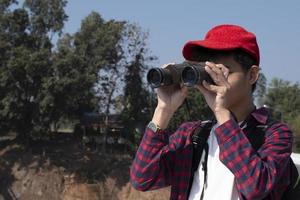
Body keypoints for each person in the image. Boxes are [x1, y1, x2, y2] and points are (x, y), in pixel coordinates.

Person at [130, 24, 294, 200]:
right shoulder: (192, 134)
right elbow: (142, 179)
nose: (215, 80)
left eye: (223, 71)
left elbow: (255, 187)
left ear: (252, 75)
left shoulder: (274, 134)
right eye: (209, 72)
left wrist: (221, 112)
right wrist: (164, 109)